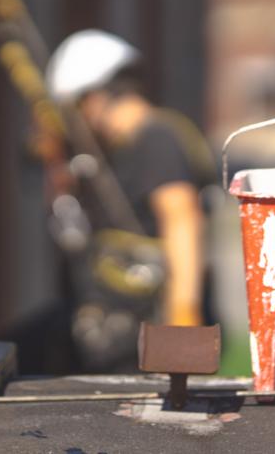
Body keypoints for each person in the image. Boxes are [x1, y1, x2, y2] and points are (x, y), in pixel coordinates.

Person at [47, 30, 215, 330]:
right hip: (119, 318)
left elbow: (182, 219)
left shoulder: (156, 138)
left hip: (146, 323)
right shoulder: (127, 147)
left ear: (92, 98)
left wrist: (182, 318)